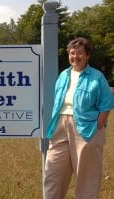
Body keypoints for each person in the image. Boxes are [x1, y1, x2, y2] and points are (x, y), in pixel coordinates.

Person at [44, 37, 114, 198]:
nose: (75, 56)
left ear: (87, 55)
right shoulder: (63, 75)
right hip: (60, 126)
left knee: (86, 177)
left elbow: (106, 105)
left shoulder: (97, 77)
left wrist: (97, 127)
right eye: (72, 53)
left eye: (80, 53)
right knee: (53, 173)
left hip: (86, 129)